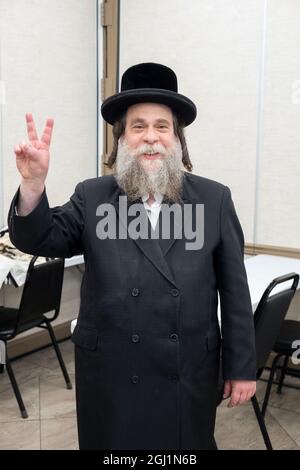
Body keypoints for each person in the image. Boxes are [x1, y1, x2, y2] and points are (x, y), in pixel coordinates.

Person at [8, 62, 256, 450]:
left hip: (187, 369)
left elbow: (235, 294)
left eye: (162, 126)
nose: (150, 138)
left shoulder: (213, 199)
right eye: (138, 126)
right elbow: (39, 238)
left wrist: (241, 368)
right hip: (113, 373)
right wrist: (33, 185)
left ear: (178, 139)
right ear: (121, 138)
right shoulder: (93, 196)